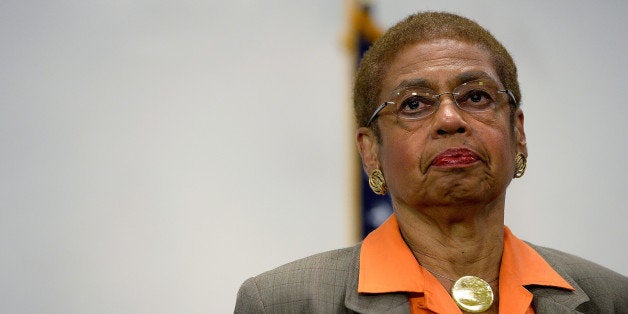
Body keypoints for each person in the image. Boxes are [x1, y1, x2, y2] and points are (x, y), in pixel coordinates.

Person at [234, 11, 627, 313]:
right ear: (370, 150)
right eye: (414, 104)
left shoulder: (612, 299)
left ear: (518, 133)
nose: (450, 119)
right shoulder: (284, 302)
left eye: (476, 97)